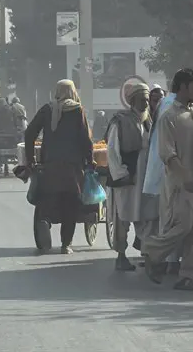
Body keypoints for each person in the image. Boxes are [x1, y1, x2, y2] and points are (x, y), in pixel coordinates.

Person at [144, 68, 193, 291]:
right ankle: (152, 251)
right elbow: (167, 155)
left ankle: (190, 276)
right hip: (181, 184)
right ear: (182, 87)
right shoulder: (169, 117)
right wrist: (184, 176)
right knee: (182, 225)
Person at [24, 79, 93, 254]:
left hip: (50, 165)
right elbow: (86, 139)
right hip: (72, 168)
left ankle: (45, 221)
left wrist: (31, 159)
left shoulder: (47, 109)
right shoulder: (77, 110)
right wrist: (90, 160)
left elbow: (30, 132)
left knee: (49, 199)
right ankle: (66, 245)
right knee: (70, 204)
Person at [106, 83, 155, 271]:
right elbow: (112, 150)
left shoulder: (149, 120)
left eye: (147, 100)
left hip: (146, 178)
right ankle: (121, 255)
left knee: (147, 215)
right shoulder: (121, 121)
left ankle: (149, 255)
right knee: (122, 216)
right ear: (132, 100)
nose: (145, 103)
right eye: (142, 100)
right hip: (128, 178)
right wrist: (121, 174)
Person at [142, 89, 183, 273]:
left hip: (164, 171)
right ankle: (163, 258)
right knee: (171, 219)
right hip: (169, 170)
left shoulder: (167, 106)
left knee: (168, 218)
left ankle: (164, 258)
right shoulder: (173, 107)